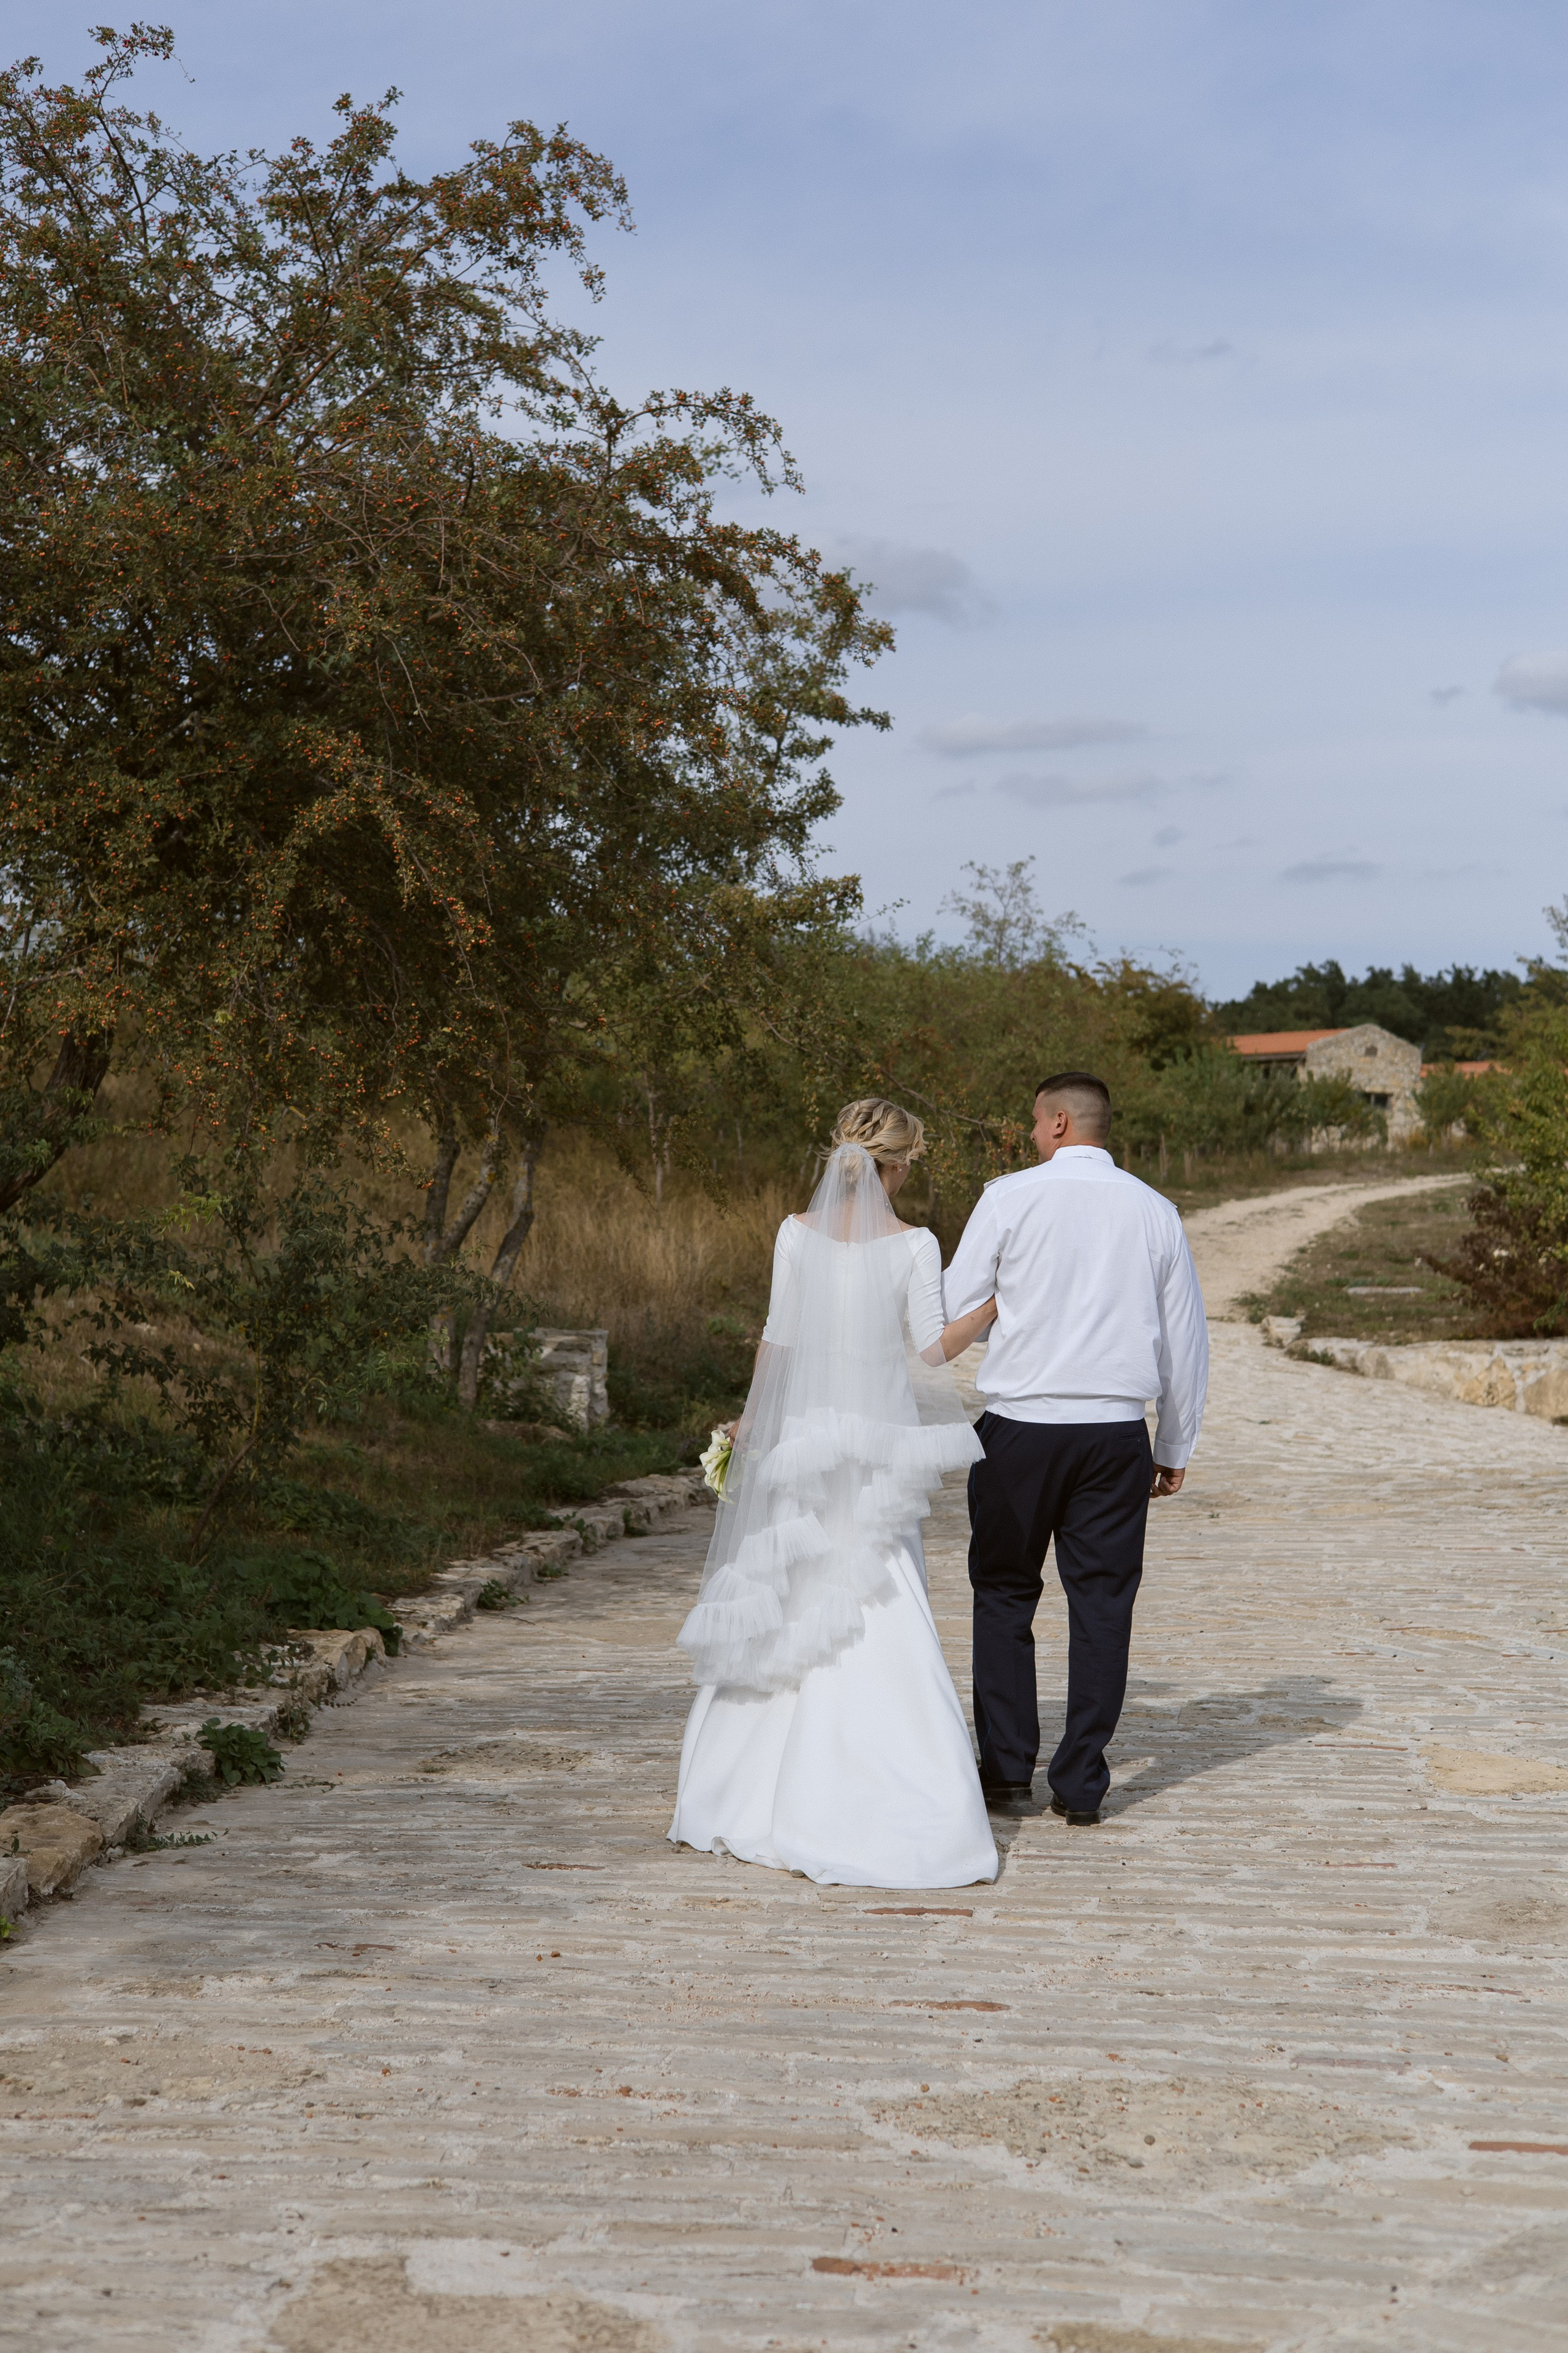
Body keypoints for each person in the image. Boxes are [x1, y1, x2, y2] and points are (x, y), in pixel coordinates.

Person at [669, 1098, 1000, 1888]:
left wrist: (751, 1423)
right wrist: (994, 1304)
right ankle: (881, 1780)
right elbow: (930, 1349)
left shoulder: (794, 1233)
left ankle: (745, 1788)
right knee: (881, 1592)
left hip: (805, 1444)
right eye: (911, 1162)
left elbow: (777, 1338)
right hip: (877, 1447)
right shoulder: (916, 1244)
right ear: (896, 1164)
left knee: (789, 1592)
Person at [943, 1071, 1208, 1826]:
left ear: (1059, 1122)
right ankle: (1082, 1783)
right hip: (1114, 1435)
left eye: (1034, 1122)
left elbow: (954, 1308)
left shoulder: (1007, 1197)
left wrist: (1008, 1311)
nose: (1031, 1135)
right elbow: (1185, 1338)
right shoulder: (1157, 1211)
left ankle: (1003, 1771)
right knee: (1102, 1606)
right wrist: (1174, 1440)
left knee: (1003, 1594)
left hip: (1019, 1429)